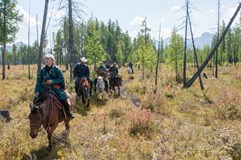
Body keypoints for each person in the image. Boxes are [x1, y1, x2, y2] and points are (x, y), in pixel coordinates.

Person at [34, 54, 74, 119]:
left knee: (63, 98)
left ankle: (68, 113)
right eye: (45, 59)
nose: (46, 60)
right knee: (36, 100)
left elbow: (62, 79)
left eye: (48, 59)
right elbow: (38, 82)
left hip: (56, 88)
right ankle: (36, 117)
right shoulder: (42, 70)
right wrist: (37, 91)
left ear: (52, 61)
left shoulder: (57, 69)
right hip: (45, 88)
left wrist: (53, 81)